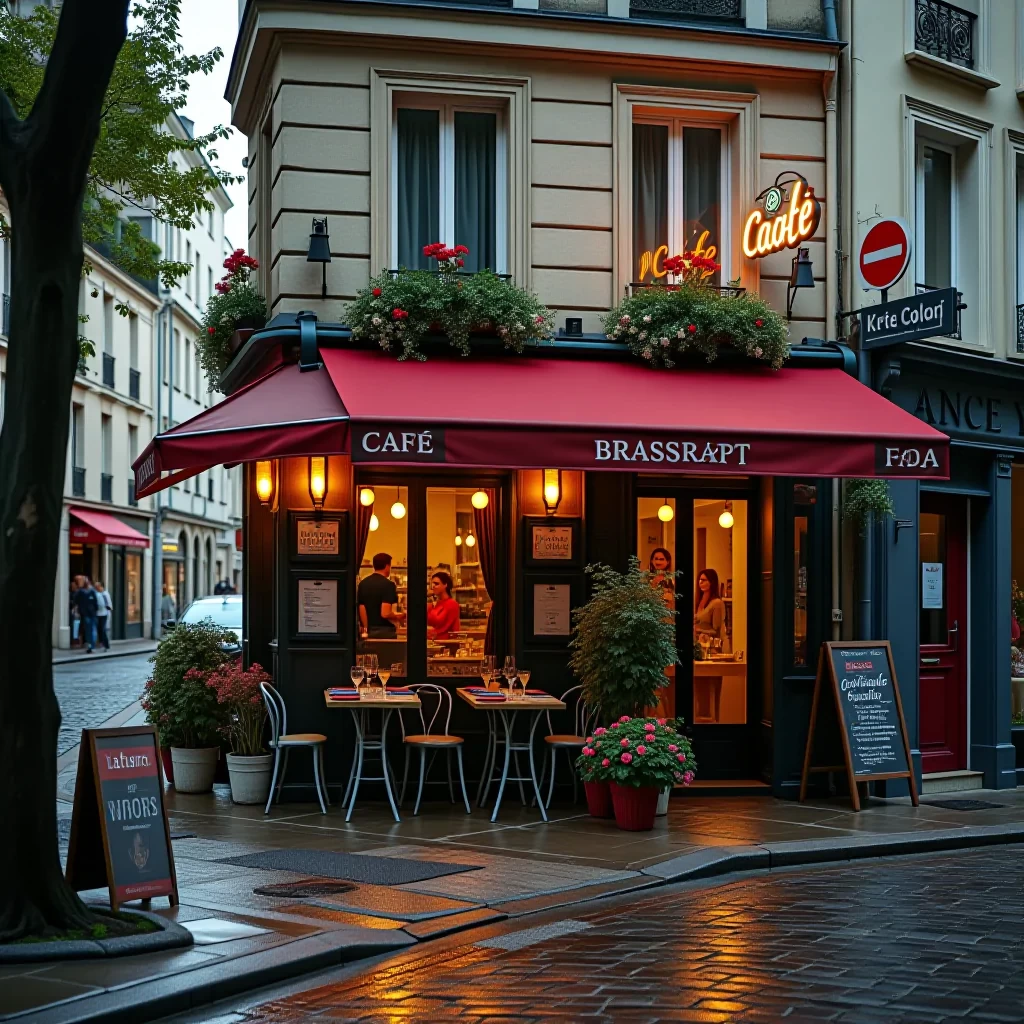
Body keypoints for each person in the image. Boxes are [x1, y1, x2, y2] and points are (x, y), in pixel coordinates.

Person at [357, 552, 406, 638]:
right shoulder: (389, 585)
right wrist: (399, 616)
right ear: (387, 566)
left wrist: (366, 628)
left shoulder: (363, 584)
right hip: (385, 631)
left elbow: (361, 608)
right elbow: (385, 613)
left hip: (369, 630)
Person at [693, 567, 725, 641]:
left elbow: (716, 631)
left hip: (709, 645)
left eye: (703, 580)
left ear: (712, 582)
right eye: (699, 580)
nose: (700, 582)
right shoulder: (699, 600)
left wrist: (698, 630)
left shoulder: (716, 603)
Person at [427, 571, 461, 640]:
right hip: (431, 643)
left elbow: (444, 628)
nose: (433, 586)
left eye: (436, 584)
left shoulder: (452, 604)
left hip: (446, 644)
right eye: (432, 584)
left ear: (445, 585)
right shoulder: (434, 604)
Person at [74, 577, 99, 653]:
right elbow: (96, 603)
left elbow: (75, 601)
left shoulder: (81, 591)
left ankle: (90, 645)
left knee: (89, 630)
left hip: (87, 614)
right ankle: (92, 645)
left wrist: (78, 610)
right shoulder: (92, 591)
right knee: (92, 630)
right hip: (91, 613)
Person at [94, 582, 112, 651]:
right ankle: (101, 642)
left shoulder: (105, 594)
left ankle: (106, 644)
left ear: (101, 586)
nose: (96, 588)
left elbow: (109, 605)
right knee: (99, 629)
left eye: (97, 587)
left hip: (104, 614)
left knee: (102, 629)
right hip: (98, 614)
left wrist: (108, 612)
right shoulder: (97, 594)